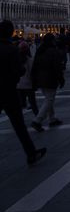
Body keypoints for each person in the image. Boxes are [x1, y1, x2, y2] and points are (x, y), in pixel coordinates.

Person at [0, 20, 46, 165]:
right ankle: (31, 153)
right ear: (9, 32)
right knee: (19, 125)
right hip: (9, 91)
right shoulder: (11, 49)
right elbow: (19, 70)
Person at [31, 33, 65, 132]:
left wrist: (34, 79)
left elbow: (34, 65)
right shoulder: (53, 51)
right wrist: (61, 79)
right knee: (49, 99)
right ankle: (37, 120)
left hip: (40, 78)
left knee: (48, 98)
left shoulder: (40, 50)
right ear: (51, 41)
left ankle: (52, 119)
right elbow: (57, 67)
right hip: (50, 78)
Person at [16, 41, 39, 116]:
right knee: (33, 103)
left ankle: (19, 118)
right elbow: (33, 73)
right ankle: (37, 117)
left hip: (18, 84)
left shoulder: (16, 60)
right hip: (28, 84)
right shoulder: (30, 60)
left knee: (20, 104)